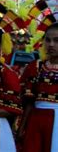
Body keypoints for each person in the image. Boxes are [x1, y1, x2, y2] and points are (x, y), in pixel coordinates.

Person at [19, 22, 58, 152]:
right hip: (36, 121)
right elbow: (28, 101)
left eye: (56, 40)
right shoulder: (35, 67)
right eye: (48, 40)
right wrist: (22, 127)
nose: (51, 44)